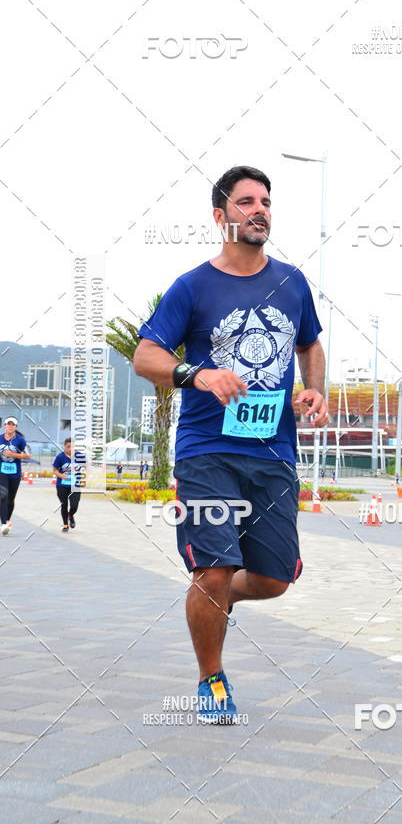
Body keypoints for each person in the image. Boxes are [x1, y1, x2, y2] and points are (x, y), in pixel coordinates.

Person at [134, 165, 328, 724]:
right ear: (221, 216)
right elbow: (147, 356)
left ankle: (216, 604)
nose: (259, 209)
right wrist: (198, 374)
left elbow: (310, 342)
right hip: (206, 451)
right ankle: (211, 678)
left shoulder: (291, 282)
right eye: (246, 201)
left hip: (273, 454)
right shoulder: (193, 285)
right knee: (214, 568)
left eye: (265, 201)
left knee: (273, 577)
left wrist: (313, 389)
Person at [0, 416, 30, 535]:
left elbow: (28, 456)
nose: (10, 426)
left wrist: (13, 454)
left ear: (15, 427)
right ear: (5, 425)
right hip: (1, 472)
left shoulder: (20, 440)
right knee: (3, 495)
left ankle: (7, 520)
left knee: (10, 499)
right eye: (8, 424)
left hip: (15, 473)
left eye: (13, 424)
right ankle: (3, 523)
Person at [52, 438, 81, 532]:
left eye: (72, 447)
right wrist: (61, 475)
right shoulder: (60, 457)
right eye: (68, 447)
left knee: (74, 505)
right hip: (62, 485)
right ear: (65, 446)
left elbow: (87, 466)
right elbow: (55, 470)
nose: (70, 449)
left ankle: (71, 515)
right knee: (64, 504)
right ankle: (65, 525)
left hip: (75, 485)